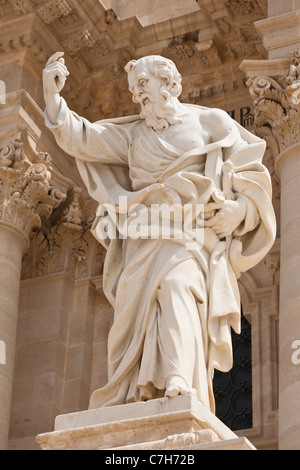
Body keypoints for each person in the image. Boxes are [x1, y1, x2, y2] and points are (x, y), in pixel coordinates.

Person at [43, 52, 276, 412]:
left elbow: (251, 169)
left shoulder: (210, 122)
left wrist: (240, 209)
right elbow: (84, 137)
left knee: (177, 286)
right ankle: (138, 390)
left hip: (190, 237)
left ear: (166, 82)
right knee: (131, 321)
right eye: (134, 90)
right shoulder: (133, 135)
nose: (138, 96)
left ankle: (178, 378)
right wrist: (53, 99)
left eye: (142, 85)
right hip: (143, 239)